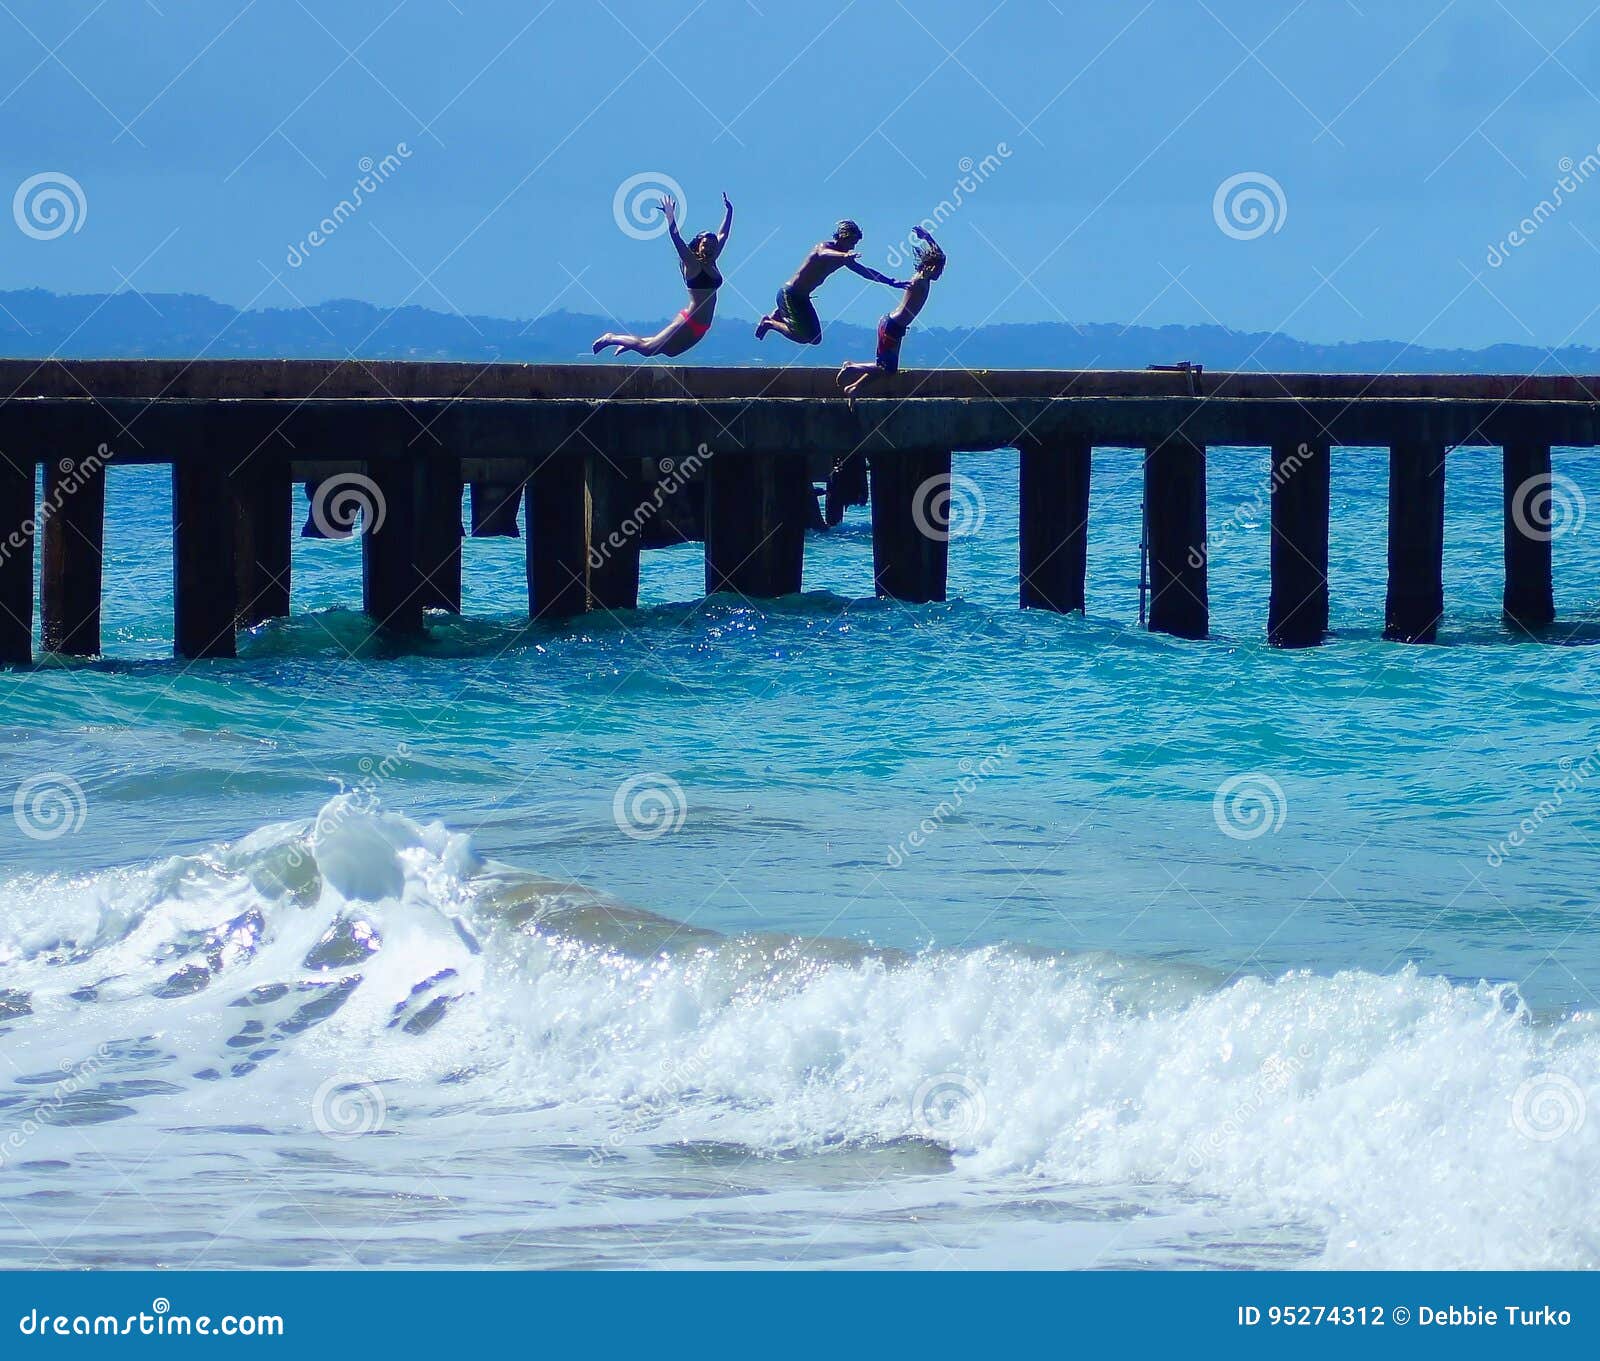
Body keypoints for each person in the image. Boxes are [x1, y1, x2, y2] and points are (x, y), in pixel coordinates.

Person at [593, 192, 733, 358]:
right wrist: (670, 217)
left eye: (712, 245)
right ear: (698, 245)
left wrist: (729, 211)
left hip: (703, 325)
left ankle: (630, 344)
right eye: (706, 244)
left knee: (670, 352)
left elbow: (722, 235)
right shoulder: (692, 263)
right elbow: (676, 238)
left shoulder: (712, 261)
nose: (710, 247)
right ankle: (612, 338)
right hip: (688, 322)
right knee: (647, 350)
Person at [755, 220, 908, 346]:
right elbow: (823, 254)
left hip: (802, 298)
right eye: (852, 242)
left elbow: (865, 271)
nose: (853, 247)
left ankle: (780, 313)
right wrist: (843, 255)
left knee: (815, 339)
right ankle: (770, 323)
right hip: (790, 294)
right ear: (843, 237)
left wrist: (890, 281)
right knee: (802, 336)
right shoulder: (824, 247)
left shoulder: (843, 259)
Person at [836, 226, 945, 400]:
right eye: (939, 270)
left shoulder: (924, 275)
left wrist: (928, 237)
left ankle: (854, 388)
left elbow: (939, 255)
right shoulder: (918, 280)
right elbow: (937, 258)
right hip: (892, 327)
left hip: (895, 326)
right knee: (886, 368)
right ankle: (850, 367)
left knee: (886, 368)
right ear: (930, 267)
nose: (940, 274)